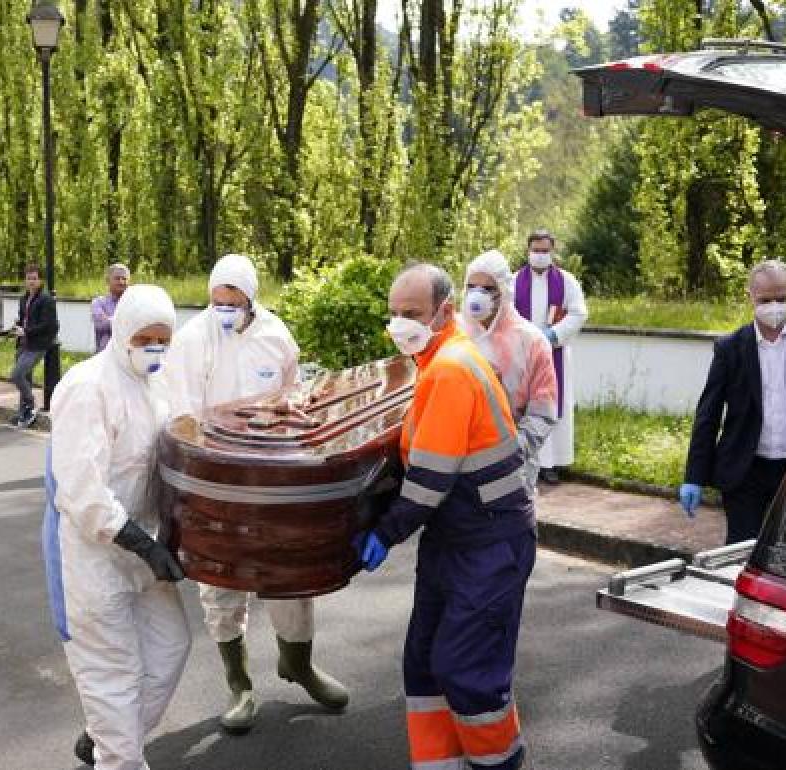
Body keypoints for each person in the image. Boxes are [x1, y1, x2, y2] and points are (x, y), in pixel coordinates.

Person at [358, 263, 535, 770]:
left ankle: (499, 762)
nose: (399, 324)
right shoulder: (435, 361)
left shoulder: (452, 369)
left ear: (444, 312)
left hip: (489, 542)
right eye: (393, 313)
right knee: (425, 663)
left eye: (410, 313)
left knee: (466, 669)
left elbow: (430, 480)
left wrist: (383, 533)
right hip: (454, 538)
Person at [164, 253, 348, 733]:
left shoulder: (275, 335)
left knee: (291, 579)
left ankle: (299, 665)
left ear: (251, 299)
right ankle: (240, 684)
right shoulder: (190, 342)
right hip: (218, 487)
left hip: (272, 485)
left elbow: (293, 396)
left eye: (233, 301)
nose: (224, 309)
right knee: (222, 587)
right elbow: (182, 419)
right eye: (216, 301)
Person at [42, 284, 191, 770]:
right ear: (122, 331)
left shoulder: (156, 386)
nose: (155, 348)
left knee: (171, 648)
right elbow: (82, 492)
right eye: (146, 338)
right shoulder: (88, 387)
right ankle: (118, 755)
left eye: (163, 340)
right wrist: (143, 547)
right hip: (93, 557)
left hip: (144, 543)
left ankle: (105, 737)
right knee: (114, 675)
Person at [680, 259, 786, 544]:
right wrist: (693, 475)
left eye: (781, 298)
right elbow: (709, 413)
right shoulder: (730, 348)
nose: (774, 306)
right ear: (750, 298)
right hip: (744, 470)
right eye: (765, 299)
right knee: (741, 552)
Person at [459, 249, 559, 491]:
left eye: (488, 289)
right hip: (457, 468)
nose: (477, 295)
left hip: (511, 472)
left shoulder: (532, 342)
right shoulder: (454, 333)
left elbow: (542, 413)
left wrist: (511, 454)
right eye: (471, 286)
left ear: (503, 292)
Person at [512, 229, 587, 484]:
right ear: (528, 251)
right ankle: (522, 457)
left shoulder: (567, 281)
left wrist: (552, 335)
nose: (540, 255)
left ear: (552, 252)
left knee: (551, 404)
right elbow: (506, 315)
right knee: (524, 405)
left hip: (554, 353)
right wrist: (525, 338)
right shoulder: (513, 282)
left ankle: (551, 463)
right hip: (522, 355)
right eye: (536, 250)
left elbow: (579, 313)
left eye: (545, 251)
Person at [9, 265, 59, 428]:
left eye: (34, 278)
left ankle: (30, 404)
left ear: (40, 280)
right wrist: (17, 326)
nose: (31, 281)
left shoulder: (46, 300)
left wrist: (26, 331)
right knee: (26, 379)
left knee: (17, 375)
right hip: (24, 343)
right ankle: (24, 411)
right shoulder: (24, 299)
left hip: (37, 345)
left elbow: (49, 325)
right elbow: (24, 319)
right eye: (29, 278)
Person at [92, 264, 131, 353]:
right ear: (108, 281)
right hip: (105, 356)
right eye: (117, 278)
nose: (121, 282)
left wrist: (111, 320)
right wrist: (127, 321)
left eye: (124, 279)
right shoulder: (98, 302)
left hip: (128, 357)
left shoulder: (133, 304)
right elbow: (101, 324)